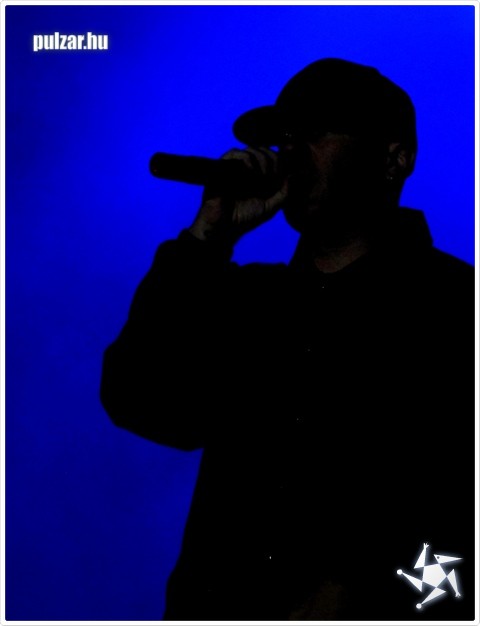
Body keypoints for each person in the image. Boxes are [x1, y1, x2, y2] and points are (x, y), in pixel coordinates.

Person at [100, 58, 474, 620]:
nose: (292, 151)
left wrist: (381, 591)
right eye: (285, 138)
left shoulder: (458, 309)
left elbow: (465, 534)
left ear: (395, 158)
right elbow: (138, 398)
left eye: (317, 133)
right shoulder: (248, 301)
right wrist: (205, 242)